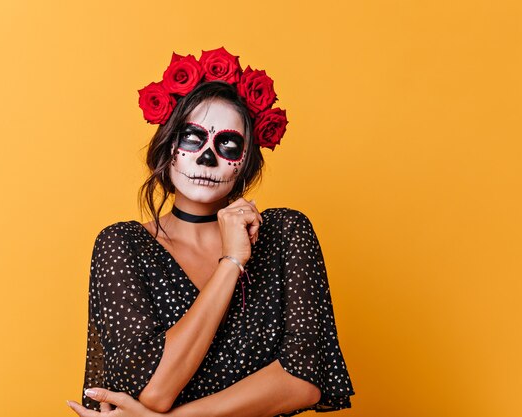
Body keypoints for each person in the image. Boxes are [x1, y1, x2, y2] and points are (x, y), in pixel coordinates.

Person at [67, 47, 355, 417]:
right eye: (192, 139)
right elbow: (153, 391)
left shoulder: (286, 233)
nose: (207, 158)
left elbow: (304, 380)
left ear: (247, 159)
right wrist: (231, 261)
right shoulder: (123, 245)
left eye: (228, 145)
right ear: (167, 147)